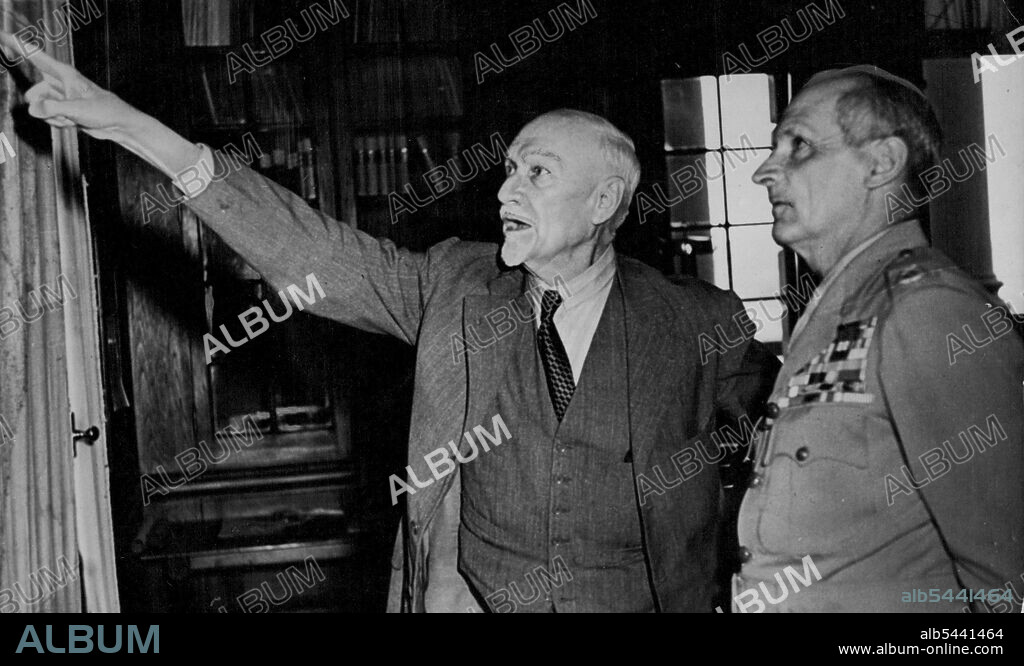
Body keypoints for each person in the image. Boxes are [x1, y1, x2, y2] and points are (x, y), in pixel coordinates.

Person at [3, 32, 778, 612]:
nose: (506, 189)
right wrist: (135, 129)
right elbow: (312, 249)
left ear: (605, 201)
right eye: (509, 169)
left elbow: (788, 443)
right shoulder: (454, 284)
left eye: (536, 172)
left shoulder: (699, 324)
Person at [736, 65, 1023, 613]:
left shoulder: (927, 309)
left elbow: (1008, 581)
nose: (765, 171)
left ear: (881, 163)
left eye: (799, 145)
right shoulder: (844, 309)